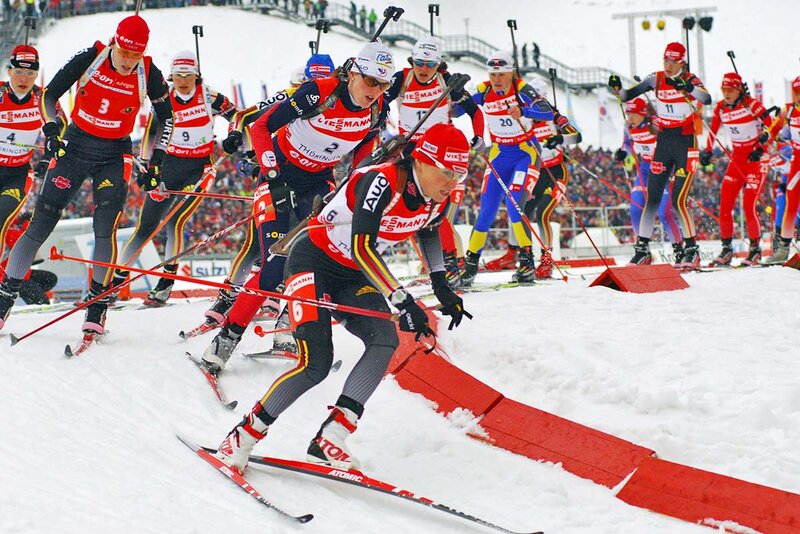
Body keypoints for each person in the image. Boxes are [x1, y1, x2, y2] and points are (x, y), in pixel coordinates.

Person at [212, 123, 472, 474]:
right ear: (422, 162)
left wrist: (441, 284)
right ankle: (243, 435)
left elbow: (428, 229)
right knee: (316, 362)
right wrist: (402, 299)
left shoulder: (440, 197)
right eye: (445, 172)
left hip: (353, 273)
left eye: (459, 174)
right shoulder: (380, 181)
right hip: (313, 260)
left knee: (384, 340)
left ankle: (332, 435)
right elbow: (363, 246)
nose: (451, 182)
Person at [200, 42, 394, 374]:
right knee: (275, 265)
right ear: (354, 73)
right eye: (370, 82)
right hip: (280, 177)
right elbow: (259, 127)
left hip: (319, 185)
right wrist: (272, 172)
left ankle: (290, 331)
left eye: (384, 84)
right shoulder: (319, 92)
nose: (375, 91)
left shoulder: (376, 109)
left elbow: (363, 157)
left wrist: (356, 183)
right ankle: (226, 338)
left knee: (310, 260)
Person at [0, 15, 173, 334]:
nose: (128, 62)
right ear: (114, 43)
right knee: (41, 224)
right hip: (75, 145)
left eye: (135, 56)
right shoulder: (91, 57)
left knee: (105, 227)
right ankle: (3, 302)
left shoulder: (149, 72)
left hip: (114, 153)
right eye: (124, 53)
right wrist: (51, 130)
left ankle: (96, 309)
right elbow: (48, 95)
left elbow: (166, 119)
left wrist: (154, 161)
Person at [110, 50, 236, 305]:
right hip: (168, 166)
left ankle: (166, 283)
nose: (183, 80)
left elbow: (237, 115)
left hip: (199, 168)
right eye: (178, 75)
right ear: (171, 76)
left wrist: (234, 134)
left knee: (175, 221)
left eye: (188, 75)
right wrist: (145, 165)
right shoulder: (164, 98)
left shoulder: (208, 96)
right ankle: (115, 282)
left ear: (196, 76)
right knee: (146, 226)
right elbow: (152, 130)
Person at [383, 35, 484, 287]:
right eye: (419, 63)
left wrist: (479, 137)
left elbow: (474, 111)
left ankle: (449, 265)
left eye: (430, 64)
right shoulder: (402, 78)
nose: (424, 69)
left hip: (441, 153)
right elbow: (380, 101)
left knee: (435, 212)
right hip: (412, 150)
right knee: (412, 209)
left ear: (439, 64)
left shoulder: (446, 81)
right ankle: (436, 265)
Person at [609, 41, 711, 268]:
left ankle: (691, 250)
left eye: (673, 62)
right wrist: (617, 88)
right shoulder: (656, 78)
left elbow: (706, 98)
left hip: (686, 142)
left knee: (678, 200)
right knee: (652, 197)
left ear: (682, 62)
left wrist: (687, 87)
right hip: (664, 143)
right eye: (665, 60)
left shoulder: (690, 78)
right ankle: (642, 250)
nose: (668, 65)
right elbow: (628, 94)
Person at [460, 51, 554, 286]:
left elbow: (548, 111)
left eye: (502, 74)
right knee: (487, 211)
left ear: (511, 72)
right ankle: (471, 264)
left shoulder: (522, 88)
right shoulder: (483, 89)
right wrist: (457, 94)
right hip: (499, 153)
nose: (497, 79)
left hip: (525, 153)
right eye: (493, 74)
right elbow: (459, 111)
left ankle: (526, 262)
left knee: (514, 206)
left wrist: (525, 111)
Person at [0, 45, 67, 268]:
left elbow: (63, 126)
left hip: (17, 174)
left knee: (1, 218)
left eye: (30, 73)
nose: (24, 78)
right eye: (19, 71)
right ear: (9, 71)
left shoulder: (42, 98)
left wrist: (48, 158)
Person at [701, 72, 772, 267]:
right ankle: (726, 250)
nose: (726, 94)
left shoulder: (751, 104)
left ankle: (755, 250)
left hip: (756, 159)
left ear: (739, 90)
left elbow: (771, 125)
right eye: (723, 90)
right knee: (725, 205)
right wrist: (707, 151)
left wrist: (761, 147)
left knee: (749, 205)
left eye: (730, 90)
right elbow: (712, 130)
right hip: (737, 158)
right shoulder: (721, 108)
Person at [521, 76, 581, 279]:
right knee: (522, 213)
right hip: (536, 173)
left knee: (542, 214)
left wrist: (559, 137)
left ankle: (546, 260)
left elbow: (576, 136)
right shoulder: (524, 118)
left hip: (556, 173)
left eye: (540, 101)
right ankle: (525, 258)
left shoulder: (554, 117)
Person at [615, 96, 683, 260]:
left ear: (643, 113)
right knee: (636, 208)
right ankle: (643, 250)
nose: (629, 117)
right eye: (628, 113)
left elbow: (673, 140)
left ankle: (679, 250)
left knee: (663, 213)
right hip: (646, 168)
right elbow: (627, 145)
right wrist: (623, 152)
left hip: (664, 167)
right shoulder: (629, 127)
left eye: (633, 114)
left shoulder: (655, 123)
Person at [763, 76, 800, 264]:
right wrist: (767, 136)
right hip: (797, 160)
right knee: (791, 202)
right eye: (797, 93)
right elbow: (778, 131)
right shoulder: (790, 110)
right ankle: (783, 249)